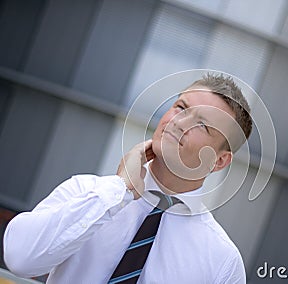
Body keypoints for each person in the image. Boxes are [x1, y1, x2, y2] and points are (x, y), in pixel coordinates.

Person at [3, 73, 252, 283]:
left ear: (219, 161)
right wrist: (120, 189)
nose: (179, 122)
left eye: (202, 124)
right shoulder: (86, 191)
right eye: (181, 107)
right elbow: (20, 259)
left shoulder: (222, 261)